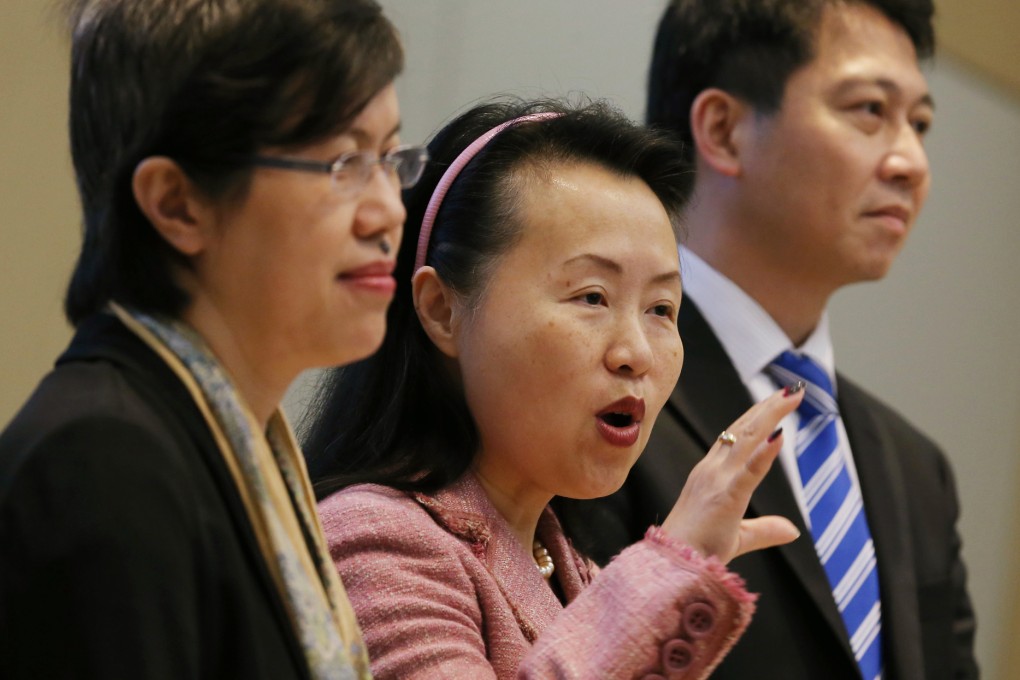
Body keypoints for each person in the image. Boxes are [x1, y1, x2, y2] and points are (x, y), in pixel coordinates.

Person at [303, 98, 809, 679]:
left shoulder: (574, 567)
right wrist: (666, 574)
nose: (637, 353)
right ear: (442, 310)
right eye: (592, 296)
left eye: (662, 308)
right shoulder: (376, 541)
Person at [0, 0, 426, 677]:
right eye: (343, 163)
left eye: (389, 158)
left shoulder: (234, 438)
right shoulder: (103, 462)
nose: (388, 211)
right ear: (177, 203)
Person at [568, 1, 980, 679]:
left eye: (922, 123)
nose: (911, 161)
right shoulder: (606, 393)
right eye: (870, 111)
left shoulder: (918, 469)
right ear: (725, 131)